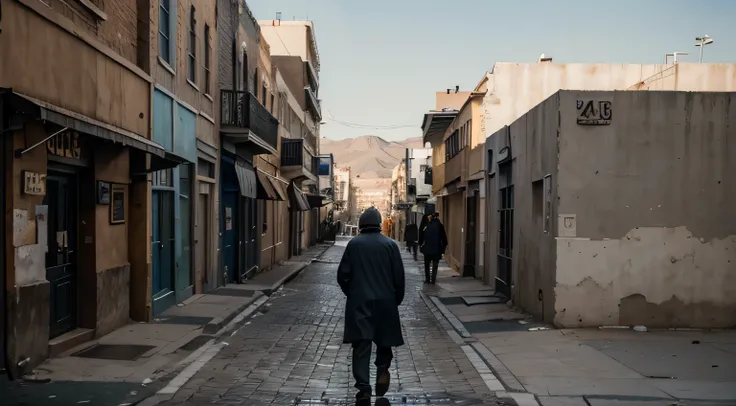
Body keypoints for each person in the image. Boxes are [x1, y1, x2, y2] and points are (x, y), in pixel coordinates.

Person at [337, 207, 405, 402]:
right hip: (385, 302)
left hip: (360, 302)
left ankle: (364, 385)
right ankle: (383, 369)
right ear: (378, 223)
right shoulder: (390, 245)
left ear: (361, 224)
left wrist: (352, 293)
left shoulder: (354, 244)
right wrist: (395, 300)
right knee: (384, 342)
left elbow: (342, 275)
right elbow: (398, 278)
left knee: (361, 345)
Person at [419, 212, 447, 284]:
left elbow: (421, 236)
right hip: (437, 248)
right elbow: (444, 238)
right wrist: (443, 248)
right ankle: (433, 279)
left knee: (427, 265)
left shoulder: (425, 224)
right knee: (435, 265)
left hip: (427, 248)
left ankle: (427, 279)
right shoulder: (439, 225)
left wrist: (421, 245)